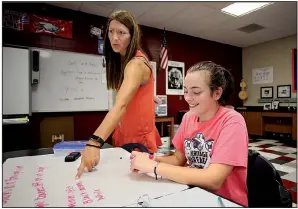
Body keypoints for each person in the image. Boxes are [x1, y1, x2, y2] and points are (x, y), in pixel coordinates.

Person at [130, 61, 249, 207]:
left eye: (196, 92)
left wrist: (153, 167)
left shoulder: (232, 121)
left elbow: (214, 179)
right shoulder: (188, 117)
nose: (188, 98)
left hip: (224, 202)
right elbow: (178, 159)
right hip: (192, 192)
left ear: (217, 93)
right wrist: (150, 158)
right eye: (186, 91)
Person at [76, 10, 162, 179]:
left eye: (121, 33)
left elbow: (121, 104)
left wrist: (94, 143)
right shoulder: (122, 62)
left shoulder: (136, 64)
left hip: (138, 142)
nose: (115, 38)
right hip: (124, 136)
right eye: (111, 32)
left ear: (132, 36)